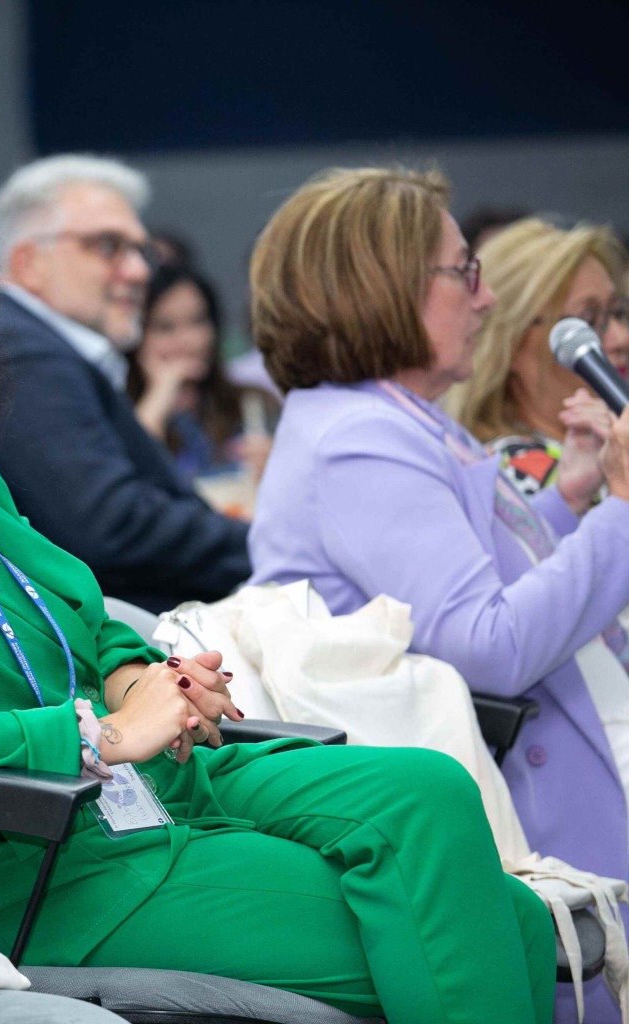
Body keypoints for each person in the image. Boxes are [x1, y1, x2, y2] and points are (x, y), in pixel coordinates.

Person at [0, 181, 554, 1022]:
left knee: (437, 799)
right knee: (496, 931)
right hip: (41, 863)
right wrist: (106, 732)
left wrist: (144, 681)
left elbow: (87, 626)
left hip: (139, 794)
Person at [245, 167, 629, 1020]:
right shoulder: (362, 440)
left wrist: (567, 502)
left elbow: (477, 590)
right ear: (382, 286)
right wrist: (624, 511)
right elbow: (488, 648)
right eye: (465, 272)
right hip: (496, 797)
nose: (485, 301)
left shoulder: (394, 417)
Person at [0, 155, 250, 612]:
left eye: (139, 251)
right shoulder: (24, 353)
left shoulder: (32, 344)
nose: (140, 271)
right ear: (28, 263)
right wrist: (262, 543)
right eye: (108, 246)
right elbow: (109, 526)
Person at [449, 218, 628, 498]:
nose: (620, 338)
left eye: (617, 312)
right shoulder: (513, 471)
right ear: (514, 343)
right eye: (588, 319)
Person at [127, 264, 274, 494]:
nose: (188, 340)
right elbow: (129, 477)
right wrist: (160, 393)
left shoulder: (250, 402)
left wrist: (278, 467)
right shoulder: (114, 409)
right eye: (165, 328)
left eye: (198, 321)